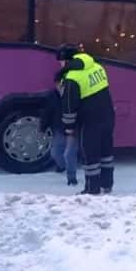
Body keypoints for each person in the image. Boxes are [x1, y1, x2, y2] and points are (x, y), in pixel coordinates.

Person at [57, 44, 116, 195]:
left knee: (90, 155)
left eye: (61, 61)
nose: (60, 64)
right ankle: (107, 184)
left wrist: (69, 126)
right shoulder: (97, 67)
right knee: (106, 152)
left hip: (90, 121)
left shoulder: (72, 78)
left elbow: (69, 106)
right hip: (108, 116)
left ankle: (92, 188)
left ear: (68, 60)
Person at [40, 72, 79, 186]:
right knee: (55, 152)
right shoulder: (52, 96)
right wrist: (43, 126)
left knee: (69, 154)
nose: (60, 86)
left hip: (73, 128)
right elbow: (47, 112)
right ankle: (62, 166)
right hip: (60, 128)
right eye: (58, 84)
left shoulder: (75, 94)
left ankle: (71, 178)